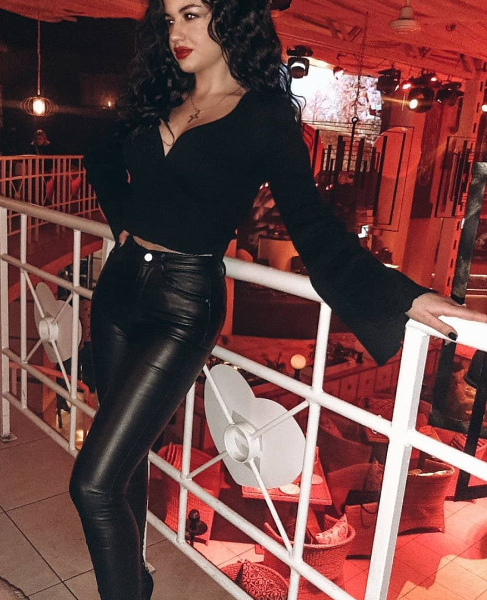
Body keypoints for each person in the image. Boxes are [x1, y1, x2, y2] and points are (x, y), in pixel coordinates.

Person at [69, 1, 487, 599]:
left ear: (231, 17)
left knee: (92, 484)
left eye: (191, 14)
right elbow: (101, 155)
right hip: (119, 287)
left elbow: (312, 224)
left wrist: (405, 295)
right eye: (168, 19)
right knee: (123, 463)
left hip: (182, 304)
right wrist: (124, 222)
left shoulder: (263, 116)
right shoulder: (158, 95)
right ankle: (135, 580)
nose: (176, 32)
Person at [31, 129, 55, 204]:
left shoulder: (48, 148)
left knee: (45, 188)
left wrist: (49, 170)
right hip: (36, 172)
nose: (38, 140)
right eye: (37, 139)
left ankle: (44, 202)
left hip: (46, 171)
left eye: (40, 138)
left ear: (44, 139)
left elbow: (50, 160)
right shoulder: (33, 148)